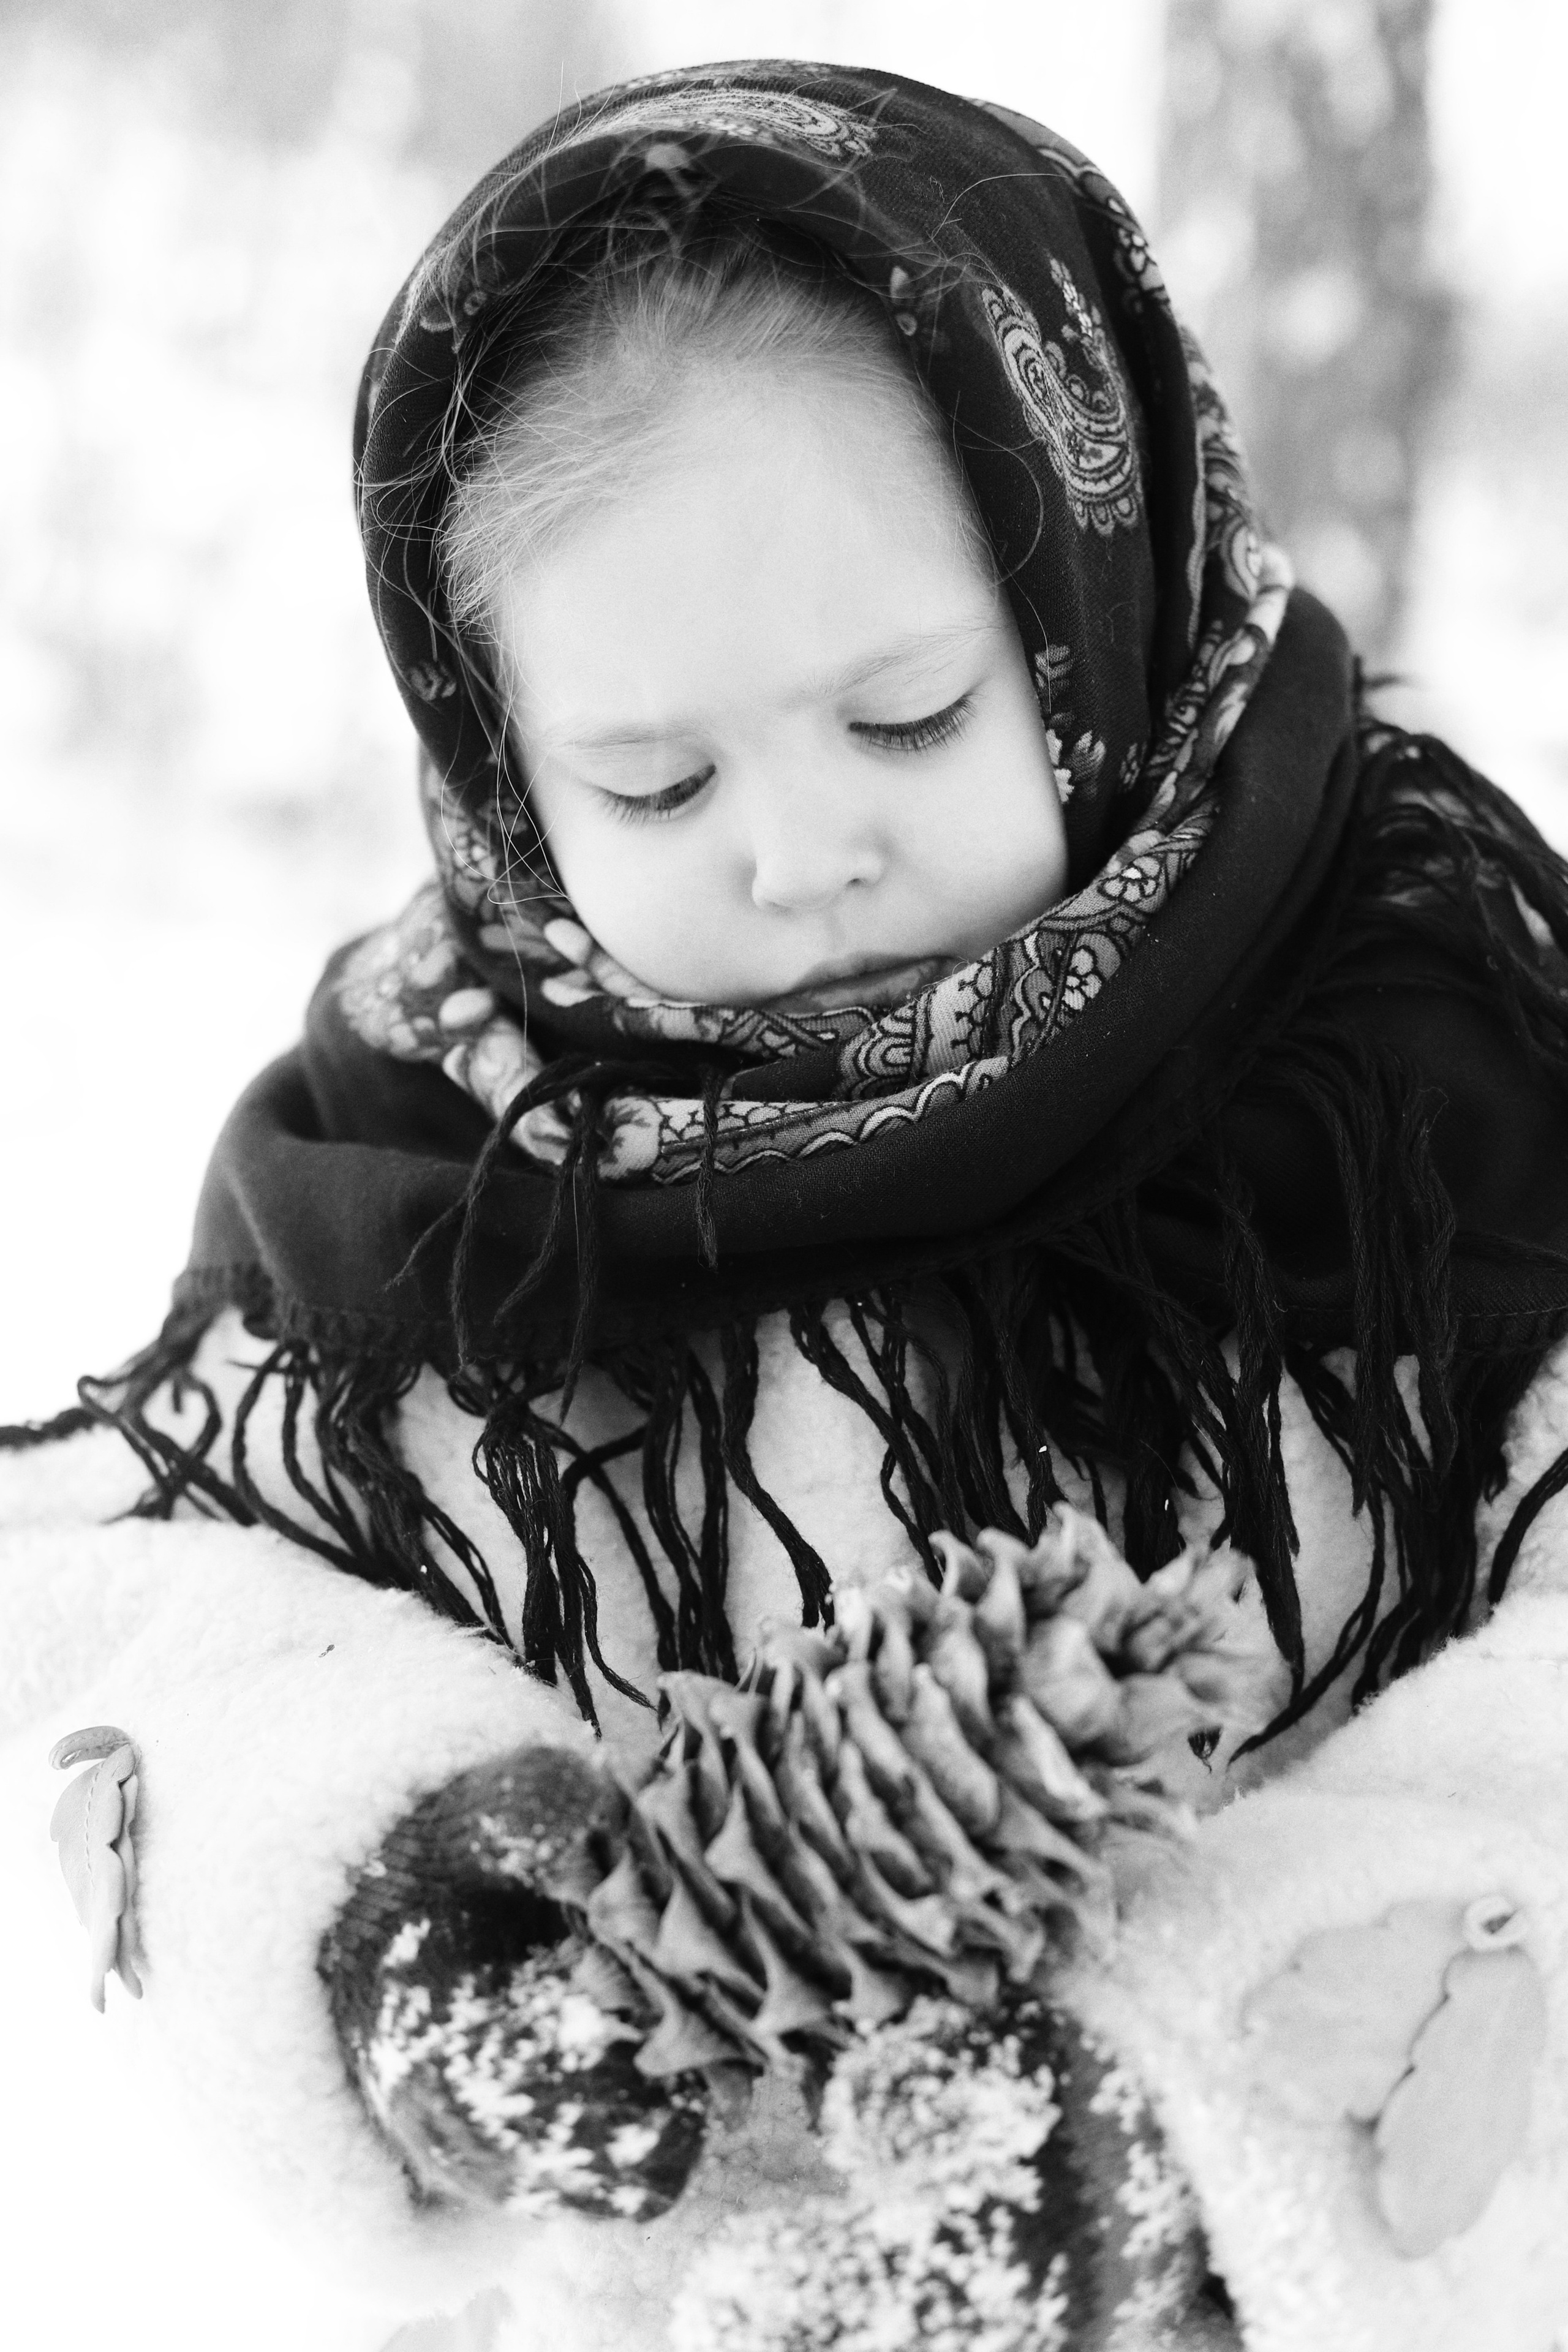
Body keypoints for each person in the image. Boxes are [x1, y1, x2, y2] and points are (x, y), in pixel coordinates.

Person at [7, 57, 1568, 2352]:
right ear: (505, 777)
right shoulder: (433, 1178)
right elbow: (136, 1643)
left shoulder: (1432, 1073)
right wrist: (389, 1910)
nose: (796, 848)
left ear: (1092, 600)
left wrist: (1178, 2144)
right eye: (656, 778)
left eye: (914, 715)